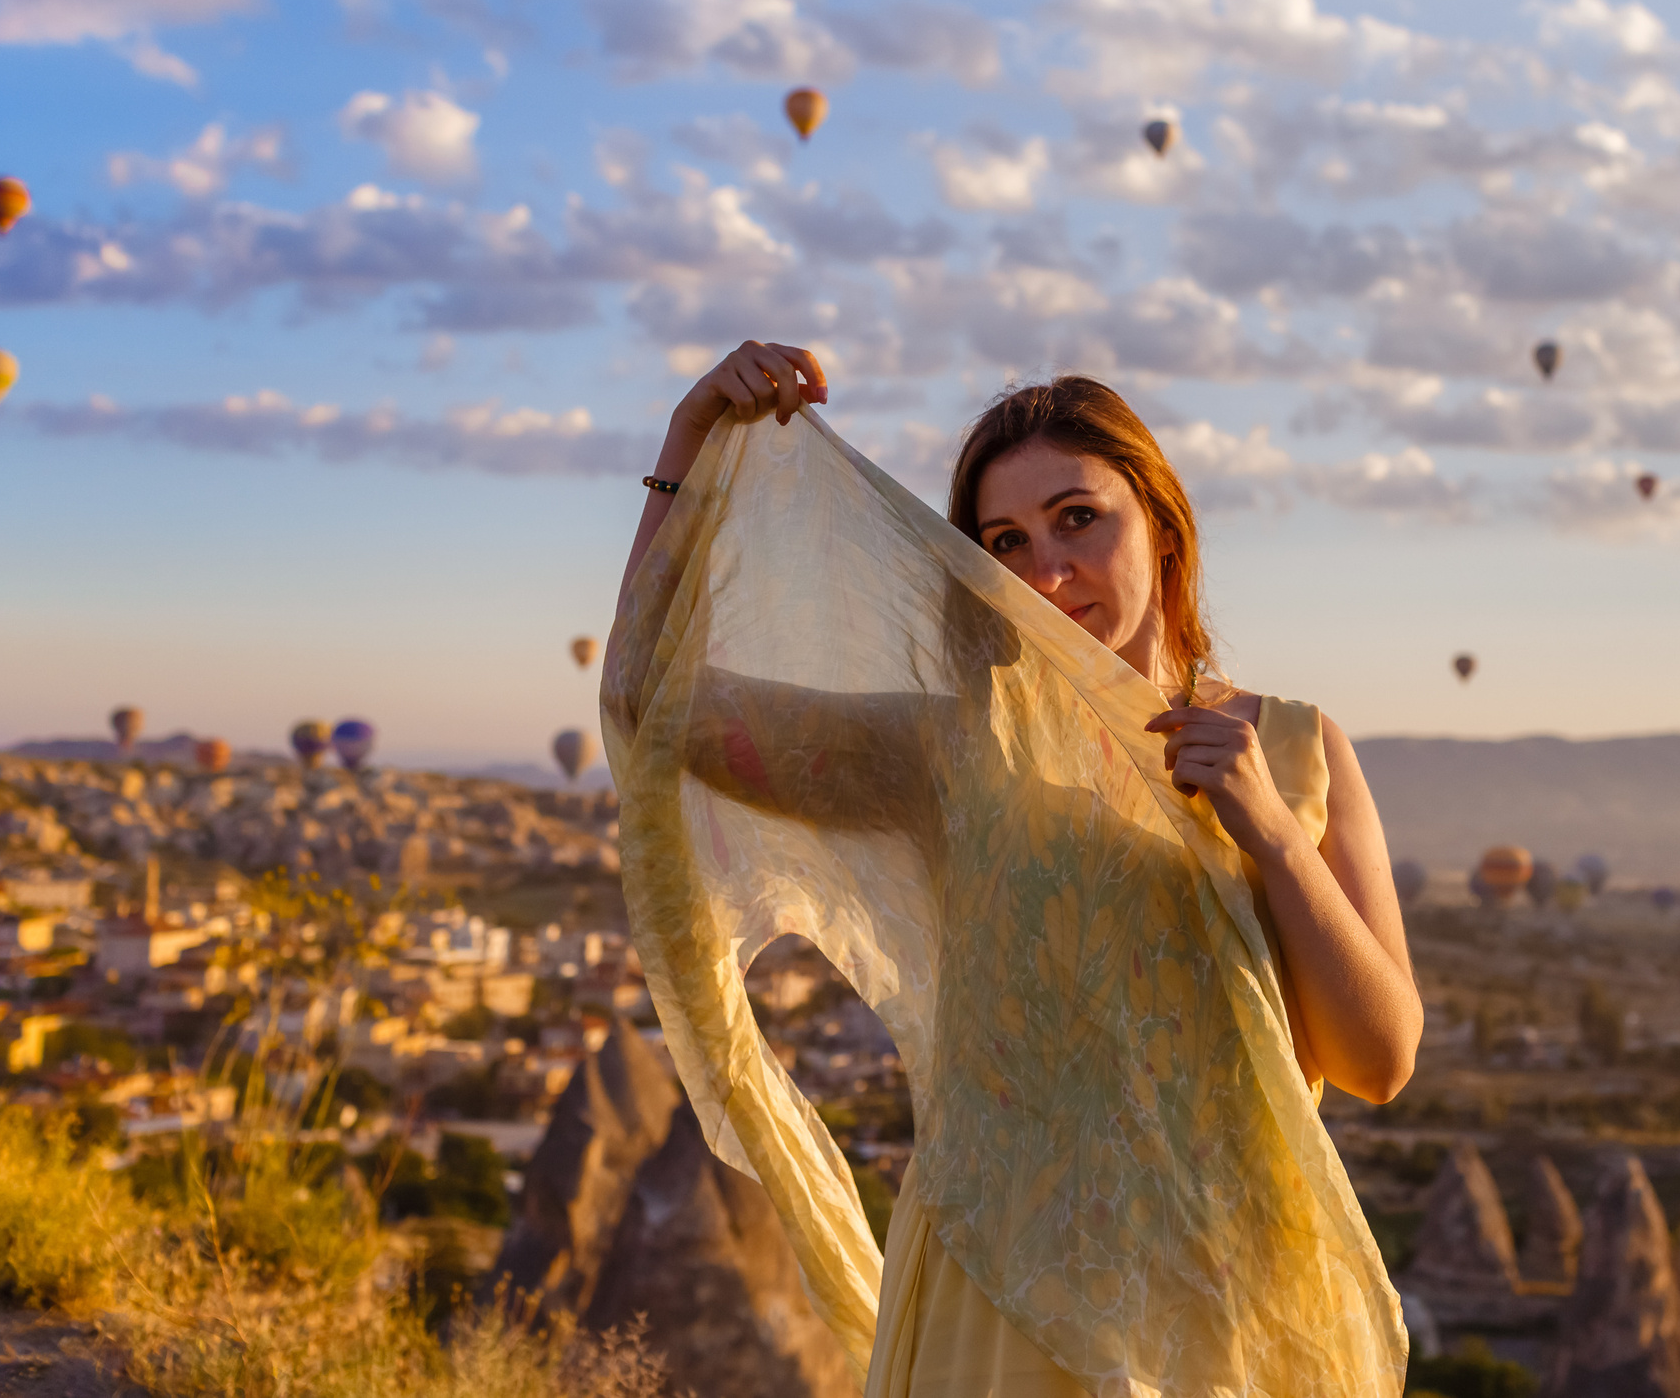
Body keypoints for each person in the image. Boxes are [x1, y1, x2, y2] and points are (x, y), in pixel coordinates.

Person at [606, 339, 1422, 1398]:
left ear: (1161, 523)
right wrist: (690, 442)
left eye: (1078, 518)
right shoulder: (952, 755)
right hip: (995, 1306)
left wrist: (1266, 831)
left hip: (1223, 1310)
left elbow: (1379, 1061)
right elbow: (654, 704)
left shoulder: (1300, 751)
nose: (1046, 570)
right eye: (1005, 541)